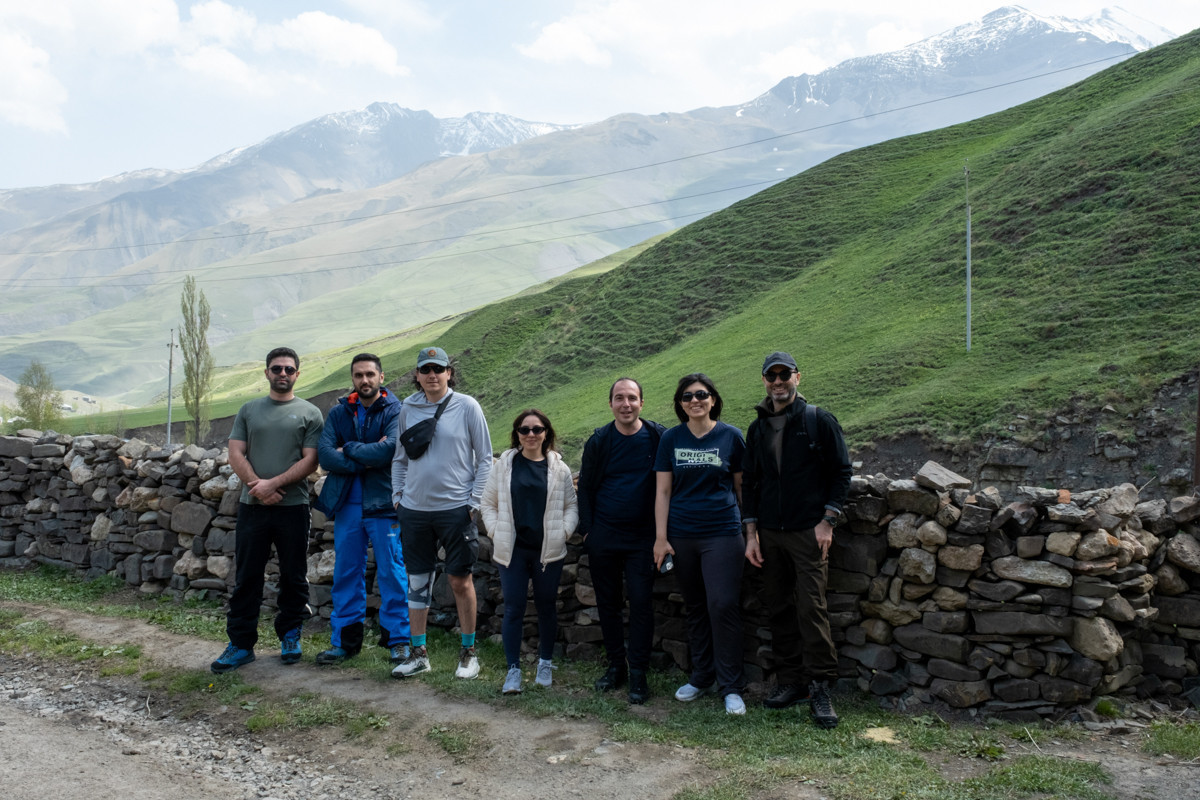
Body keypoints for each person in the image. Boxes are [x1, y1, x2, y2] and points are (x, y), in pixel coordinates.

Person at [742, 351, 853, 730]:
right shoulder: (756, 428)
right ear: (764, 381)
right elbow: (752, 483)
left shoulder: (818, 420)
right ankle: (791, 682)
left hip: (808, 531)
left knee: (812, 607)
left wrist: (828, 521)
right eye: (771, 375)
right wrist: (752, 533)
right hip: (770, 533)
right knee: (778, 607)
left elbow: (842, 471)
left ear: (797, 377)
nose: (778, 381)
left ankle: (820, 686)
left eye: (784, 374)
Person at [211, 347, 323, 674]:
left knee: (292, 575)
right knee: (247, 576)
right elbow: (235, 452)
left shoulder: (310, 413)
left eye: (289, 369)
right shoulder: (249, 410)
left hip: (293, 507)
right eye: (277, 369)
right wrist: (257, 486)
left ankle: (290, 634)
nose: (283, 374)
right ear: (267, 373)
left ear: (298, 374)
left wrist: (271, 484)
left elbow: (310, 459)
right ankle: (241, 644)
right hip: (252, 508)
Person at [390, 347, 492, 680]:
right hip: (415, 510)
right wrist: (398, 497)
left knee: (460, 580)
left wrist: (473, 502)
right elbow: (400, 458)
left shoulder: (467, 406)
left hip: (455, 509)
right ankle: (419, 655)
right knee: (417, 582)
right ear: (417, 375)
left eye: (439, 368)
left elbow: (485, 458)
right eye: (426, 369)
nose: (432, 375)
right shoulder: (407, 407)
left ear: (449, 372)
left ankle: (468, 653)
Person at [653, 373, 748, 715]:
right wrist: (661, 538)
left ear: (713, 399)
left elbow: (741, 489)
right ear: (680, 404)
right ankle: (702, 676)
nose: (695, 400)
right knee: (695, 606)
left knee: (723, 605)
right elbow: (663, 491)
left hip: (723, 532)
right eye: (687, 396)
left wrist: (750, 533)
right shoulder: (671, 439)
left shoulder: (731, 436)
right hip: (682, 534)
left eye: (701, 394)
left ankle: (732, 686)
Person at [313, 353, 410, 666]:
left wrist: (351, 449)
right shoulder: (340, 412)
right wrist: (368, 456)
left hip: (383, 503)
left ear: (382, 377)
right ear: (353, 379)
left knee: (393, 572)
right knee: (346, 572)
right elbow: (326, 456)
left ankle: (398, 641)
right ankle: (344, 642)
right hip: (348, 504)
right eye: (359, 375)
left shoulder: (396, 410)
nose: (365, 380)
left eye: (370, 374)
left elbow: (391, 450)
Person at [577, 378, 665, 704]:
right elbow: (585, 488)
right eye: (619, 398)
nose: (625, 404)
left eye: (631, 398)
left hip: (644, 538)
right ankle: (616, 667)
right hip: (605, 536)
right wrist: (589, 531)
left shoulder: (658, 436)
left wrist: (662, 534)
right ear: (611, 404)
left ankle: (638, 673)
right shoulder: (600, 440)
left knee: (642, 604)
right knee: (608, 604)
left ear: (642, 402)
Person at [481, 410, 578, 694]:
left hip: (548, 551)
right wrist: (494, 530)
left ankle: (545, 662)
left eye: (537, 429)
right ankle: (513, 670)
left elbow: (571, 507)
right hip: (513, 550)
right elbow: (488, 504)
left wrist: (564, 532)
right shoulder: (504, 466)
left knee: (547, 606)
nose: (531, 435)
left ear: (546, 432)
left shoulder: (559, 469)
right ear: (517, 434)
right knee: (513, 607)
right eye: (525, 430)